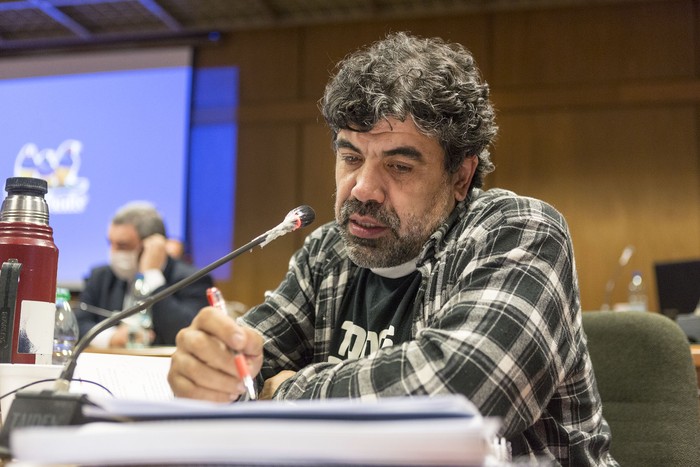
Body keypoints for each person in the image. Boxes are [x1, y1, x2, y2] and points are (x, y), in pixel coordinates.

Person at [168, 33, 617, 465]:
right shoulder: (328, 252)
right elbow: (251, 360)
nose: (362, 189)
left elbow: (465, 391)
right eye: (350, 158)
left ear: (460, 177)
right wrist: (211, 368)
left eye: (399, 166)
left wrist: (290, 394)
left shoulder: (516, 231)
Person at [77, 201, 213, 347]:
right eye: (111, 244)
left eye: (122, 245)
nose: (113, 253)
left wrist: (152, 275)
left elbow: (187, 335)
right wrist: (112, 338)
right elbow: (77, 325)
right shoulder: (101, 276)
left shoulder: (192, 279)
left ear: (152, 245)